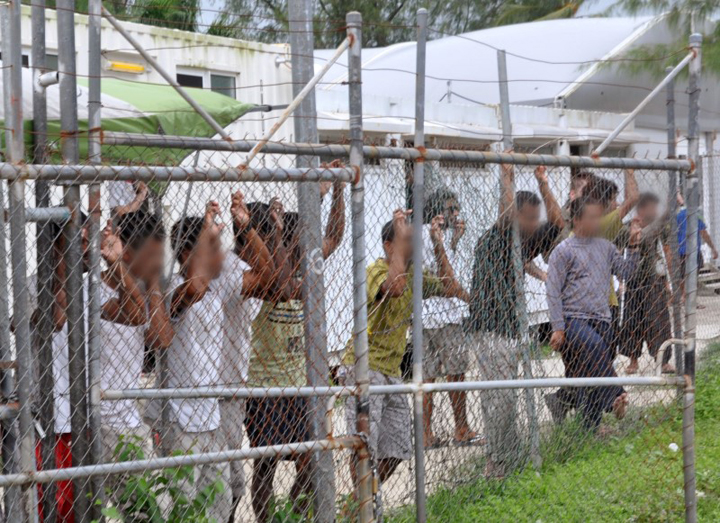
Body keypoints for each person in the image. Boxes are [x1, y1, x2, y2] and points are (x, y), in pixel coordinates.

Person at [343, 209, 467, 492]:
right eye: (405, 241)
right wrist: (400, 238)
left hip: (391, 371)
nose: (413, 245)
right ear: (390, 245)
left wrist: (437, 242)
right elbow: (395, 287)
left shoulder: (414, 273)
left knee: (398, 448)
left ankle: (359, 503)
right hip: (363, 368)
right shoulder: (376, 270)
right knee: (364, 447)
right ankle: (363, 507)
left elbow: (449, 286)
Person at [246, 171, 346, 523]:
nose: (312, 244)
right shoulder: (268, 277)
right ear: (289, 240)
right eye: (303, 238)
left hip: (300, 385)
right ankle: (265, 519)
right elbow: (284, 286)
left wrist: (336, 189)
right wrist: (277, 232)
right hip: (265, 387)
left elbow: (334, 235)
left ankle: (299, 507)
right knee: (266, 463)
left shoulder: (306, 270)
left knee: (309, 457)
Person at [167, 192, 272, 523]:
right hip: (180, 419)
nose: (221, 255)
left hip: (210, 416)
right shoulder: (172, 286)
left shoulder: (218, 284)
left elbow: (268, 277)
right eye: (213, 248)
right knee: (182, 507)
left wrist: (248, 228)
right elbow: (194, 289)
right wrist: (206, 233)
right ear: (188, 252)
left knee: (219, 504)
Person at [467, 163, 564, 478]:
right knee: (498, 400)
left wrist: (543, 182)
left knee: (508, 400)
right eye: (530, 217)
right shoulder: (499, 236)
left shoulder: (524, 239)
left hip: (512, 328)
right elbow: (506, 213)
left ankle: (507, 458)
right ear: (517, 215)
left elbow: (559, 223)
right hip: (491, 329)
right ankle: (496, 463)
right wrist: (506, 174)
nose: (536, 224)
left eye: (537, 218)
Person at [98, 212, 173, 509]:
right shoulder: (94, 288)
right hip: (102, 422)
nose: (159, 264)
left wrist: (153, 283)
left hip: (129, 422)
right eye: (153, 256)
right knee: (152, 509)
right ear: (127, 251)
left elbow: (161, 339)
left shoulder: (145, 292)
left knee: (158, 509)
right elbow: (131, 314)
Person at [546, 197, 640, 430]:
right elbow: (552, 290)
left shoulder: (606, 247)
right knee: (596, 347)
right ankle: (616, 396)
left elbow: (627, 272)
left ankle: (588, 429)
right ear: (576, 220)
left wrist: (635, 246)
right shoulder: (564, 251)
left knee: (588, 374)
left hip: (602, 319)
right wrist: (558, 327)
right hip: (573, 320)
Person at [29, 215, 89, 523]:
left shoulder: (91, 287)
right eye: (77, 242)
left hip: (84, 416)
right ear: (55, 247)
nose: (87, 248)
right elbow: (53, 319)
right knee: (51, 503)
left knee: (81, 505)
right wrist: (64, 274)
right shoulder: (33, 285)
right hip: (48, 421)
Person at [421, 188, 478, 447]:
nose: (456, 213)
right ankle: (461, 428)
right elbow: (448, 280)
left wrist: (455, 241)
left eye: (457, 209)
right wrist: (472, 300)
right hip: (445, 316)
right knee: (456, 374)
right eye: (450, 209)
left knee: (426, 377)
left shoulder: (424, 234)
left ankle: (425, 434)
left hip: (423, 317)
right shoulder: (431, 235)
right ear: (438, 211)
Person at [615, 193, 674, 375]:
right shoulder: (627, 227)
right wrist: (619, 281)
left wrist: (670, 281)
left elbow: (667, 251)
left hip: (652, 279)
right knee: (632, 322)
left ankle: (662, 360)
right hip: (632, 281)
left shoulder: (659, 226)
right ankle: (633, 360)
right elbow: (617, 253)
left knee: (659, 321)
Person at [677, 192, 719, 283]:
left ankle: (685, 295)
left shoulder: (678, 215)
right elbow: (704, 233)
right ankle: (688, 294)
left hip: (680, 252)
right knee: (692, 279)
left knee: (682, 279)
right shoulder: (697, 215)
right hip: (693, 251)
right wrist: (713, 248)